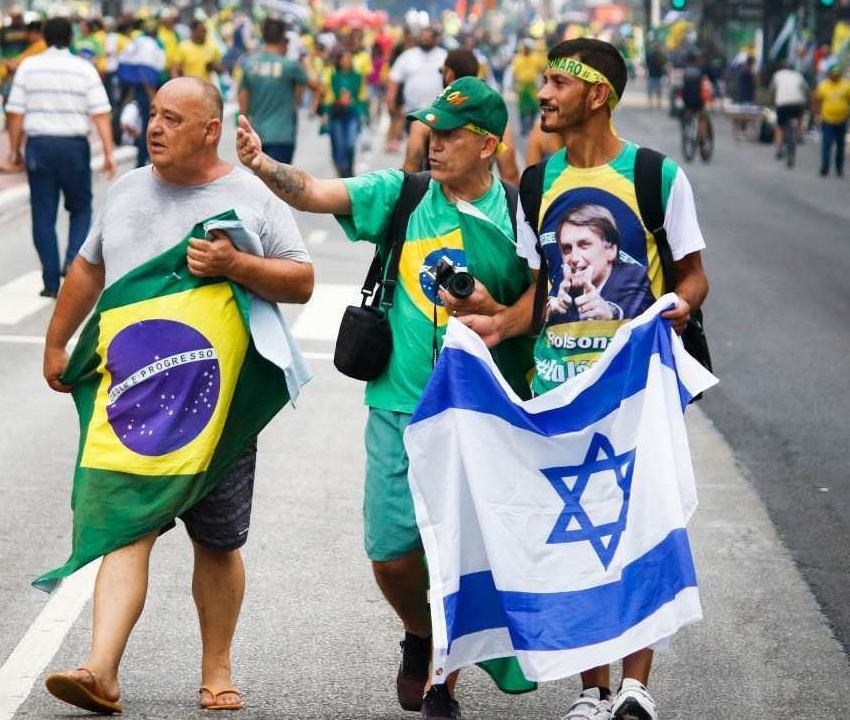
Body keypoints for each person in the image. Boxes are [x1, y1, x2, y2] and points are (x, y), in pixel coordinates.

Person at [238, 75, 535, 720]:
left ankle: (442, 685)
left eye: (451, 135)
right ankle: (421, 633)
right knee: (391, 549)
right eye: (430, 130)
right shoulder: (402, 196)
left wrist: (496, 311)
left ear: (487, 145)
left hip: (486, 408)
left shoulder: (521, 215)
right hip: (400, 404)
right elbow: (317, 193)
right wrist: (262, 164)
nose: (433, 143)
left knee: (460, 549)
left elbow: (545, 303)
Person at [40, 77, 313, 715]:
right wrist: (57, 343)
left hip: (215, 411)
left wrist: (236, 267)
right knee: (126, 529)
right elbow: (88, 267)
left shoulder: (250, 196)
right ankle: (100, 669)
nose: (154, 128)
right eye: (152, 116)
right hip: (132, 402)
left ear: (209, 129)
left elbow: (301, 280)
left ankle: (216, 668)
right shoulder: (128, 188)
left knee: (217, 542)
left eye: (171, 118)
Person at [517, 38, 709, 720]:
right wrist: (480, 324)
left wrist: (680, 305)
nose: (542, 94)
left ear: (596, 94)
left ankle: (633, 687)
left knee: (639, 527)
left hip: (637, 389)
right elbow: (533, 297)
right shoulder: (536, 185)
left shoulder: (655, 175)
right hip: (560, 391)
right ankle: (591, 692)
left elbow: (693, 273)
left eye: (556, 83)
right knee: (579, 539)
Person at [6, 16, 116, 299]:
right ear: (70, 39)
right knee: (81, 208)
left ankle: (50, 281)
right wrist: (108, 153)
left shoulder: (29, 67)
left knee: (43, 213)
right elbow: (101, 113)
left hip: (39, 146)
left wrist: (14, 149)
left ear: (43, 36)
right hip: (73, 147)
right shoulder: (84, 69)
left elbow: (16, 112)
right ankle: (72, 262)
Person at [402, 49, 520, 184]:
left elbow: (410, 171)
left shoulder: (424, 122)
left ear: (449, 75)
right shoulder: (496, 125)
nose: (435, 145)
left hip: (436, 199)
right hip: (481, 200)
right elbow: (510, 176)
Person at [546, 203, 655, 323]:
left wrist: (610, 312)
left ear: (611, 250)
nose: (574, 258)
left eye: (584, 245)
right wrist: (551, 310)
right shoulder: (564, 282)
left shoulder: (634, 276)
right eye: (567, 249)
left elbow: (645, 315)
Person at [237, 18, 318, 164]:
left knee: (260, 183)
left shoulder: (250, 64)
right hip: (282, 136)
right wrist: (306, 62)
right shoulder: (289, 66)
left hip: (257, 135)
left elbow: (243, 96)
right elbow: (316, 85)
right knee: (279, 184)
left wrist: (245, 127)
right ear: (283, 38)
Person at [386, 27, 448, 142]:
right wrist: (391, 98)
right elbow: (394, 77)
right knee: (415, 145)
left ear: (436, 40)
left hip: (437, 111)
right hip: (413, 111)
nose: (425, 41)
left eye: (428, 38)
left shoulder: (444, 56)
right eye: (423, 38)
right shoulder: (408, 56)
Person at [321, 46, 369, 177]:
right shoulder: (332, 75)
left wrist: (364, 112)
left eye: (349, 58)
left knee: (350, 144)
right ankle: (342, 173)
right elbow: (328, 95)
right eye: (344, 58)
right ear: (339, 61)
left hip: (352, 114)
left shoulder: (358, 76)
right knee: (338, 145)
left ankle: (348, 171)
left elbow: (363, 95)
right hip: (336, 115)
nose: (347, 61)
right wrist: (325, 112)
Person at [812, 64, 850, 177]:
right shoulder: (823, 86)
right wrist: (816, 114)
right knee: (826, 144)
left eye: (837, 74)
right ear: (829, 75)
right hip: (827, 119)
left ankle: (839, 168)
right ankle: (825, 166)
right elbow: (817, 100)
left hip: (842, 119)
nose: (835, 76)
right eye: (833, 74)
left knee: (840, 146)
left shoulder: (846, 85)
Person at [770, 60, 809, 160]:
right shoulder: (798, 75)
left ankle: (778, 148)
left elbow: (772, 90)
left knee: (779, 126)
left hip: (782, 104)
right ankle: (799, 134)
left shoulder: (777, 75)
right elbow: (806, 89)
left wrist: (773, 101)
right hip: (797, 105)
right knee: (800, 115)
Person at [512, 41, 543, 135]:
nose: (526, 49)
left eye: (527, 47)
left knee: (534, 106)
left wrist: (542, 83)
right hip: (522, 86)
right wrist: (514, 84)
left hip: (532, 86)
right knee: (522, 108)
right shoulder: (517, 58)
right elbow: (514, 73)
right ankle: (523, 127)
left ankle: (531, 125)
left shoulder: (536, 57)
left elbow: (541, 70)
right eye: (524, 47)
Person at [646, 43, 666, 110]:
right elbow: (646, 64)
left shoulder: (661, 56)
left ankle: (658, 104)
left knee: (658, 91)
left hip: (658, 76)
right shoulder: (651, 56)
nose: (656, 49)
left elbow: (664, 64)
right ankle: (651, 104)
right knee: (651, 91)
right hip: (652, 75)